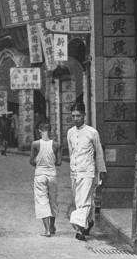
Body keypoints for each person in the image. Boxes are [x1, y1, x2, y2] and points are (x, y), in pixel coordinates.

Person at [67, 103, 107, 241]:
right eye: (73, 116)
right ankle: (89, 221)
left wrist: (101, 171)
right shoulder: (70, 133)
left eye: (78, 116)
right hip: (75, 172)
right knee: (81, 201)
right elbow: (72, 153)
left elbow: (99, 153)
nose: (75, 118)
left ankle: (79, 230)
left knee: (83, 201)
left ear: (84, 115)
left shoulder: (92, 132)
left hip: (88, 171)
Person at [29, 122, 62, 237]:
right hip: (52, 175)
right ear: (50, 131)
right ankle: (52, 226)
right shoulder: (57, 145)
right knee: (53, 200)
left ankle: (47, 230)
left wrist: (40, 161)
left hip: (40, 175)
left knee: (42, 201)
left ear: (39, 131)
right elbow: (59, 162)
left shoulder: (35, 144)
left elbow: (31, 161)